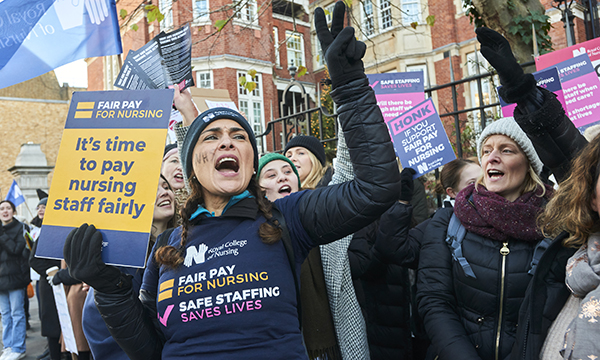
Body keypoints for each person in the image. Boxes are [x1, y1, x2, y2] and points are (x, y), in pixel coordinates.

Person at [62, 3, 400, 359]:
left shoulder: (288, 218)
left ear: (251, 165)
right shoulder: (167, 247)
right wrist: (111, 291)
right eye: (211, 137)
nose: (227, 141)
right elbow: (149, 350)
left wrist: (351, 90)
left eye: (239, 136)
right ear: (192, 166)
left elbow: (376, 188)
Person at [417, 117, 552, 360]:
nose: (492, 157)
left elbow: (550, 312)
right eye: (486, 150)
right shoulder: (448, 221)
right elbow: (434, 301)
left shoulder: (554, 225)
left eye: (507, 150)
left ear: (529, 163)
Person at [80, 175, 177, 360]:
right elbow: (97, 323)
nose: (164, 192)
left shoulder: (188, 245)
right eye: (153, 190)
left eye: (166, 187)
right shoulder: (122, 261)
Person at [0, 200, 30, 360]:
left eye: (8, 208)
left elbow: (16, 249)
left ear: (13, 211)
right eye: (2, 209)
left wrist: (2, 235)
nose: (5, 211)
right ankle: (8, 346)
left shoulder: (21, 228)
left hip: (16, 277)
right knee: (5, 314)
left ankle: (18, 347)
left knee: (17, 313)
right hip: (1, 279)